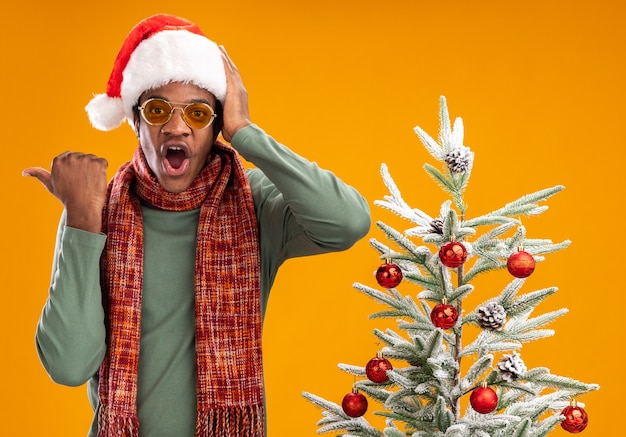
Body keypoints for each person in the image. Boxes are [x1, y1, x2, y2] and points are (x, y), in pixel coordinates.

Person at [23, 14, 370, 437]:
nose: (176, 126)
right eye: (157, 109)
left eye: (198, 112)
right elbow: (69, 365)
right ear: (135, 121)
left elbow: (347, 222)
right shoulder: (93, 210)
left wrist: (245, 132)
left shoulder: (253, 201)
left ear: (216, 125)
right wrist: (80, 221)